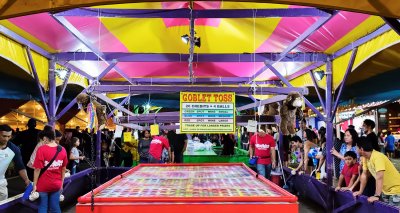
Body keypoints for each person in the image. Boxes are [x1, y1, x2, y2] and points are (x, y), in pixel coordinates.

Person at [353, 137, 400, 206]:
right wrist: (360, 191)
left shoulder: (378, 157)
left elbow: (379, 177)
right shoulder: (365, 158)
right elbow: (364, 175)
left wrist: (377, 195)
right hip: (385, 191)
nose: (356, 150)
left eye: (356, 147)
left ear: (361, 149)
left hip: (396, 190)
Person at [32, 127, 68, 213]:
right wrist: (61, 184)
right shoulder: (62, 149)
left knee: (43, 207)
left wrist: (34, 185)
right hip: (56, 184)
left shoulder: (41, 149)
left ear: (45, 138)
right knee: (55, 208)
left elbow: (37, 169)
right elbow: (63, 168)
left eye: (42, 140)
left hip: (43, 184)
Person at [0, 125, 30, 201]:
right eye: (4, 136)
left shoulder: (14, 149)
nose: (6, 139)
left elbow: (20, 166)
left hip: (1, 181)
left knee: (3, 199)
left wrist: (27, 180)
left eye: (9, 136)